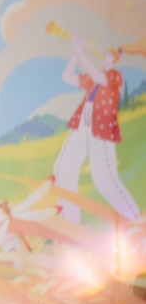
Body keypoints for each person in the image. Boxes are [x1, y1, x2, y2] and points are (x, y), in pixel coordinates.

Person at [54, 36, 141, 224]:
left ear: (115, 59)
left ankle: (135, 219)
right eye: (104, 54)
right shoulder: (95, 76)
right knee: (63, 168)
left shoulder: (115, 76)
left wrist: (81, 54)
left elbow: (100, 79)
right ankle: (71, 223)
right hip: (83, 121)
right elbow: (67, 77)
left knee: (104, 178)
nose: (105, 57)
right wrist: (75, 55)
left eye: (109, 55)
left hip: (101, 125)